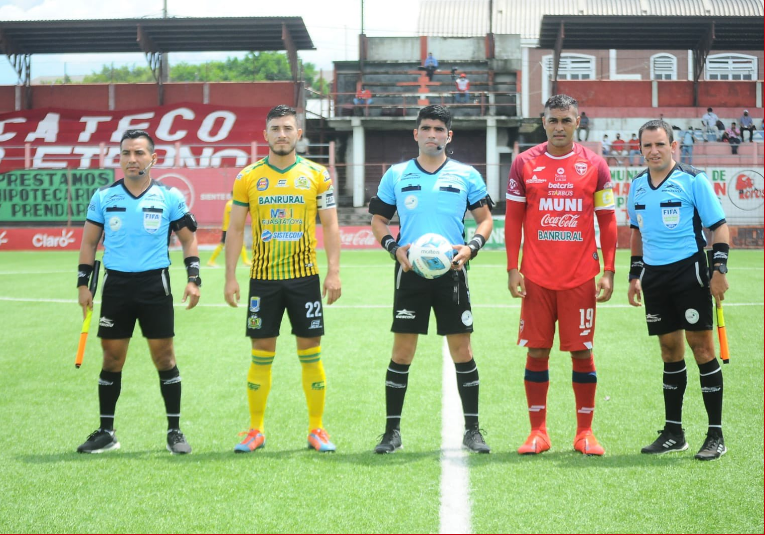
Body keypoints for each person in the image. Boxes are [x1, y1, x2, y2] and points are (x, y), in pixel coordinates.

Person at [369, 104, 494, 454]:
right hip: (410, 273)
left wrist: (471, 248)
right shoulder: (396, 174)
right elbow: (378, 221)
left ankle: (472, 430)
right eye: (426, 128)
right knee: (402, 352)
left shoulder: (466, 175)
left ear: (448, 136)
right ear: (416, 133)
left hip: (453, 273)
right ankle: (391, 432)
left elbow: (486, 221)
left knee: (462, 350)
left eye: (439, 129)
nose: (432, 135)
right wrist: (394, 248)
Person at [224, 105, 342, 453]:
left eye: (287, 128)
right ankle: (255, 430)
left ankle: (317, 429)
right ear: (265, 135)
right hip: (262, 280)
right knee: (261, 351)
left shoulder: (317, 175)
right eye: (275, 128)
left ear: (298, 133)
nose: (281, 134)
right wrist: (230, 276)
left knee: (311, 351)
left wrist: (333, 271)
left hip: (305, 278)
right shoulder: (248, 177)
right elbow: (234, 228)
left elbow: (331, 224)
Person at [76, 129, 201, 455]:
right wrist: (82, 284)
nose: (132, 159)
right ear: (120, 159)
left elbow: (189, 239)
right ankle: (106, 432)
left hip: (154, 286)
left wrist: (194, 278)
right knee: (111, 358)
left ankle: (174, 431)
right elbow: (89, 243)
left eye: (139, 153)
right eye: (126, 154)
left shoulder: (169, 196)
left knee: (165, 358)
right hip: (116, 286)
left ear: (153, 158)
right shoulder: (103, 197)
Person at [505, 94, 617, 456]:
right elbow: (513, 220)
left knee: (582, 353)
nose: (559, 127)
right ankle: (538, 432)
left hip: (581, 277)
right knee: (537, 351)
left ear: (578, 122)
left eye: (566, 120)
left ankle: (585, 433)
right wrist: (512, 267)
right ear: (543, 122)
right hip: (536, 277)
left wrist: (610, 271)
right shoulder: (524, 163)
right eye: (553, 120)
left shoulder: (595, 165)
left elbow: (608, 221)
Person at [627, 119, 729, 461]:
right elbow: (637, 234)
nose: (653, 151)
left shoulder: (693, 179)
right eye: (647, 146)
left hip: (690, 273)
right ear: (640, 149)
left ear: (674, 146)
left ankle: (715, 435)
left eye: (660, 144)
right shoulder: (637, 186)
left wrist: (719, 270)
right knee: (670, 351)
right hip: (655, 278)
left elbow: (718, 227)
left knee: (701, 349)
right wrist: (634, 276)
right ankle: (674, 432)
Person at [207, 195, 252, 267]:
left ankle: (245, 260)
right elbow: (234, 215)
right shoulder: (231, 204)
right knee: (222, 244)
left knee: (242, 243)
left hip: (231, 228)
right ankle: (211, 260)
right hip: (229, 228)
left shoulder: (231, 203)